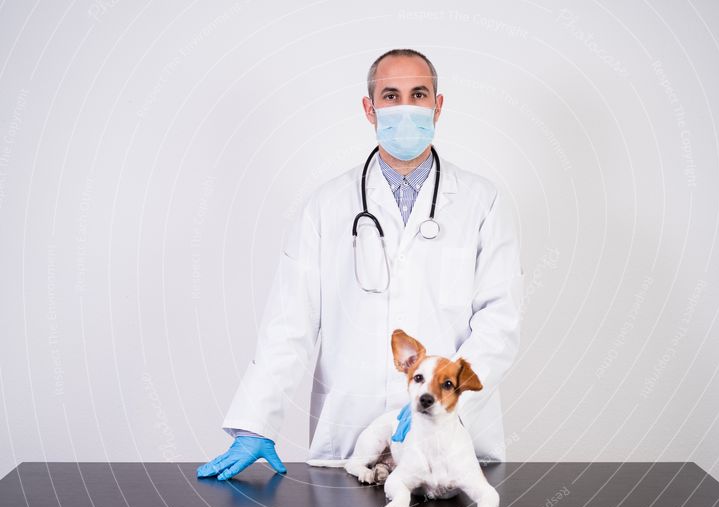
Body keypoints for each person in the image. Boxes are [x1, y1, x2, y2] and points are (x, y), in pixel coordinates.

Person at [197, 48, 524, 481]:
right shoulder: (325, 206)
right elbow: (290, 322)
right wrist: (257, 422)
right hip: (351, 438)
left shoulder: (482, 202)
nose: (404, 108)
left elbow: (499, 321)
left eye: (418, 94)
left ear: (437, 106)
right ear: (370, 109)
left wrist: (449, 402)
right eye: (391, 95)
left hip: (453, 446)